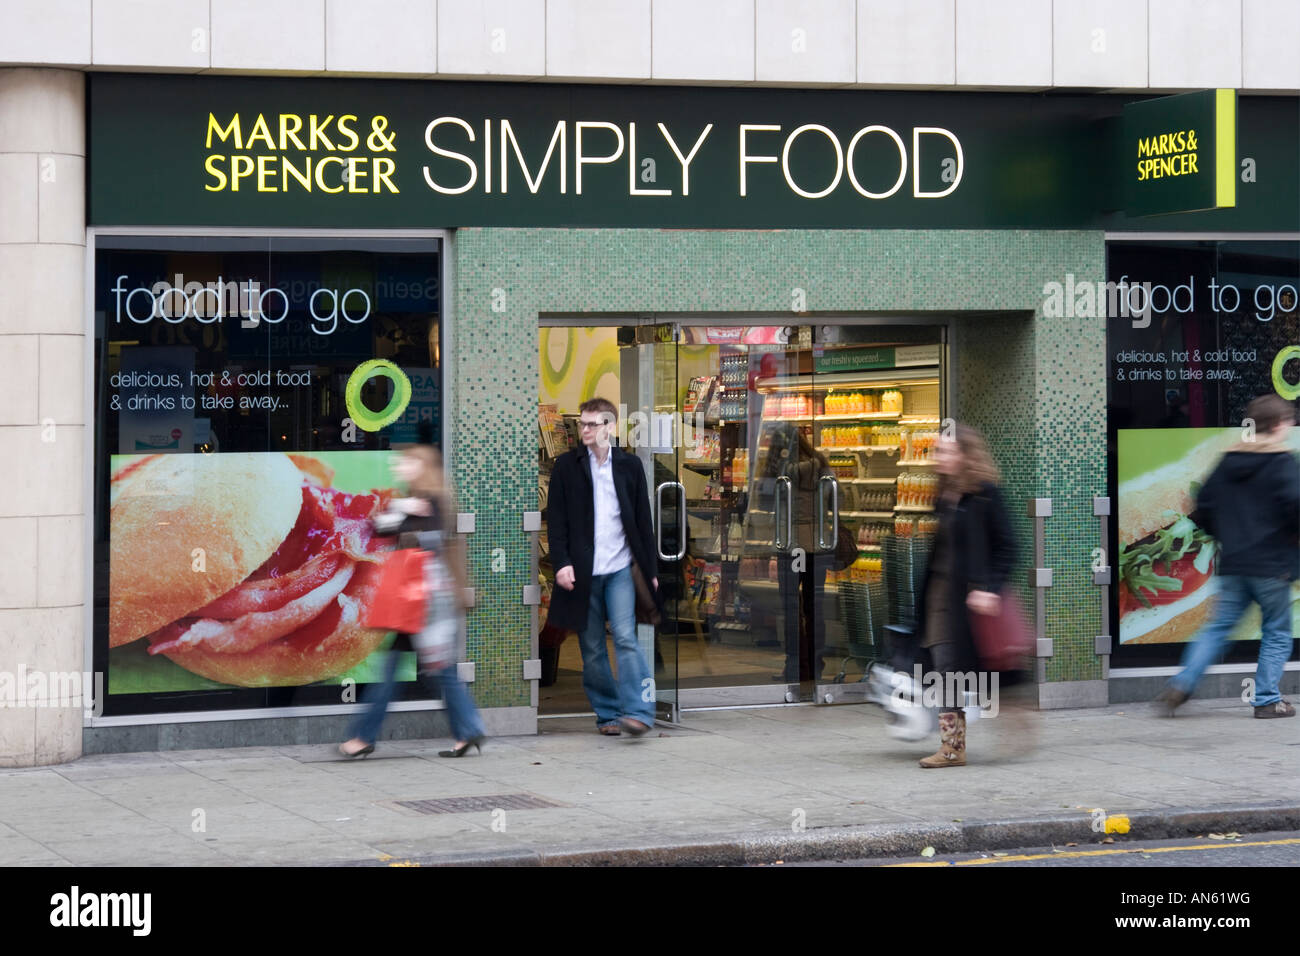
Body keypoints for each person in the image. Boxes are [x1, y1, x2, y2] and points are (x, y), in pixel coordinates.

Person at [339, 445, 487, 758]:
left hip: (426, 598)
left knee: (417, 668)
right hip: (415, 598)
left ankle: (364, 736)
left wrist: (402, 513)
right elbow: (379, 527)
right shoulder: (414, 499)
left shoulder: (435, 500)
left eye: (409, 461)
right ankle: (468, 729)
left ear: (423, 466)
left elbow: (427, 540)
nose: (402, 466)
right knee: (427, 668)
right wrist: (402, 508)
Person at [1157, 394, 1299, 719]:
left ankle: (1182, 682)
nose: (1291, 426)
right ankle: (1266, 699)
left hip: (1234, 562)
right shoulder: (1281, 461)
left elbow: (1203, 504)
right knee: (1276, 631)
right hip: (1272, 564)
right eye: (1289, 420)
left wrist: (1226, 537)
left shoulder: (1229, 458)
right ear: (1277, 425)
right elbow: (1296, 506)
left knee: (1217, 627)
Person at [546, 397, 663, 736]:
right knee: (593, 647)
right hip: (582, 573)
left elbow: (643, 521)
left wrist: (651, 571)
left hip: (621, 569)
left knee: (626, 637)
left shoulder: (629, 466)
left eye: (591, 424)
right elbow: (557, 522)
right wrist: (561, 564)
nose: (584, 429)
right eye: (582, 423)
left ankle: (639, 712)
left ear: (610, 427)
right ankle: (608, 714)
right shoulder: (567, 467)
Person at [913, 425, 1017, 768]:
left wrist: (990, 588)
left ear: (964, 455)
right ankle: (953, 746)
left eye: (945, 450)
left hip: (970, 598)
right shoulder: (944, 495)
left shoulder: (985, 494)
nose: (938, 457)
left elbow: (1008, 546)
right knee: (945, 668)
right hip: (941, 595)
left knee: (955, 670)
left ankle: (957, 745)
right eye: (937, 450)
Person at [767, 425, 835, 683]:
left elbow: (766, 500)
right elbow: (832, 500)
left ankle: (796, 666)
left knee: (791, 608)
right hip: (817, 546)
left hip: (791, 545)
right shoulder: (821, 465)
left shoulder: (782, 473)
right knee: (814, 607)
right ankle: (816, 665)